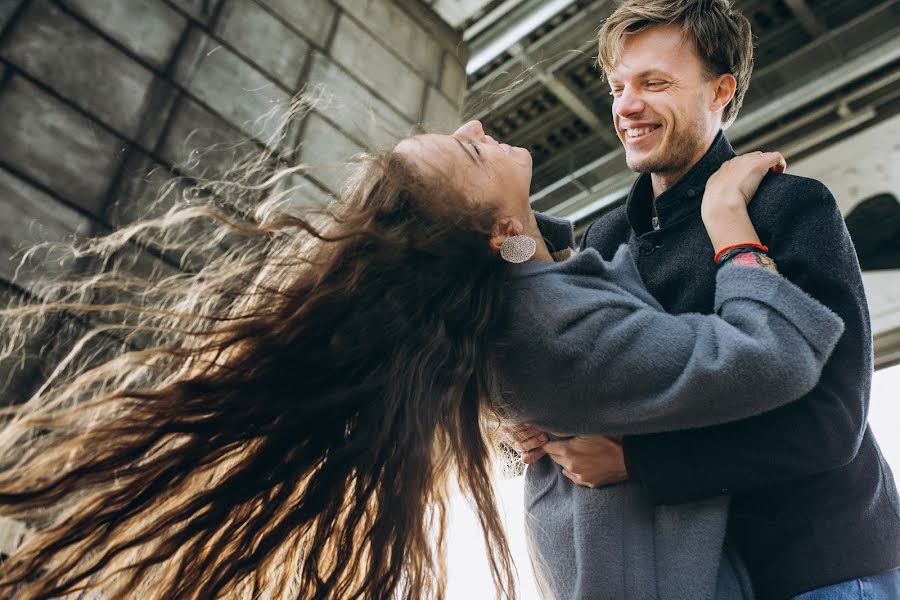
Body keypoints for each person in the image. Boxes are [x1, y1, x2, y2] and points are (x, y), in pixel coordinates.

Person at [0, 116, 840, 600]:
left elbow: (623, 328)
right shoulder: (543, 324)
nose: (475, 126)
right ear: (498, 233)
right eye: (470, 152)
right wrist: (731, 220)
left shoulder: (533, 300)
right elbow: (775, 359)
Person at [508, 1, 900, 598]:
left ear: (721, 91)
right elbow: (608, 389)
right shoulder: (608, 239)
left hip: (820, 565)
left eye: (653, 83)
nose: (626, 105)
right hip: (692, 575)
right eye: (617, 86)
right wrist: (537, 433)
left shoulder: (788, 205)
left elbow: (832, 423)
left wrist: (639, 463)